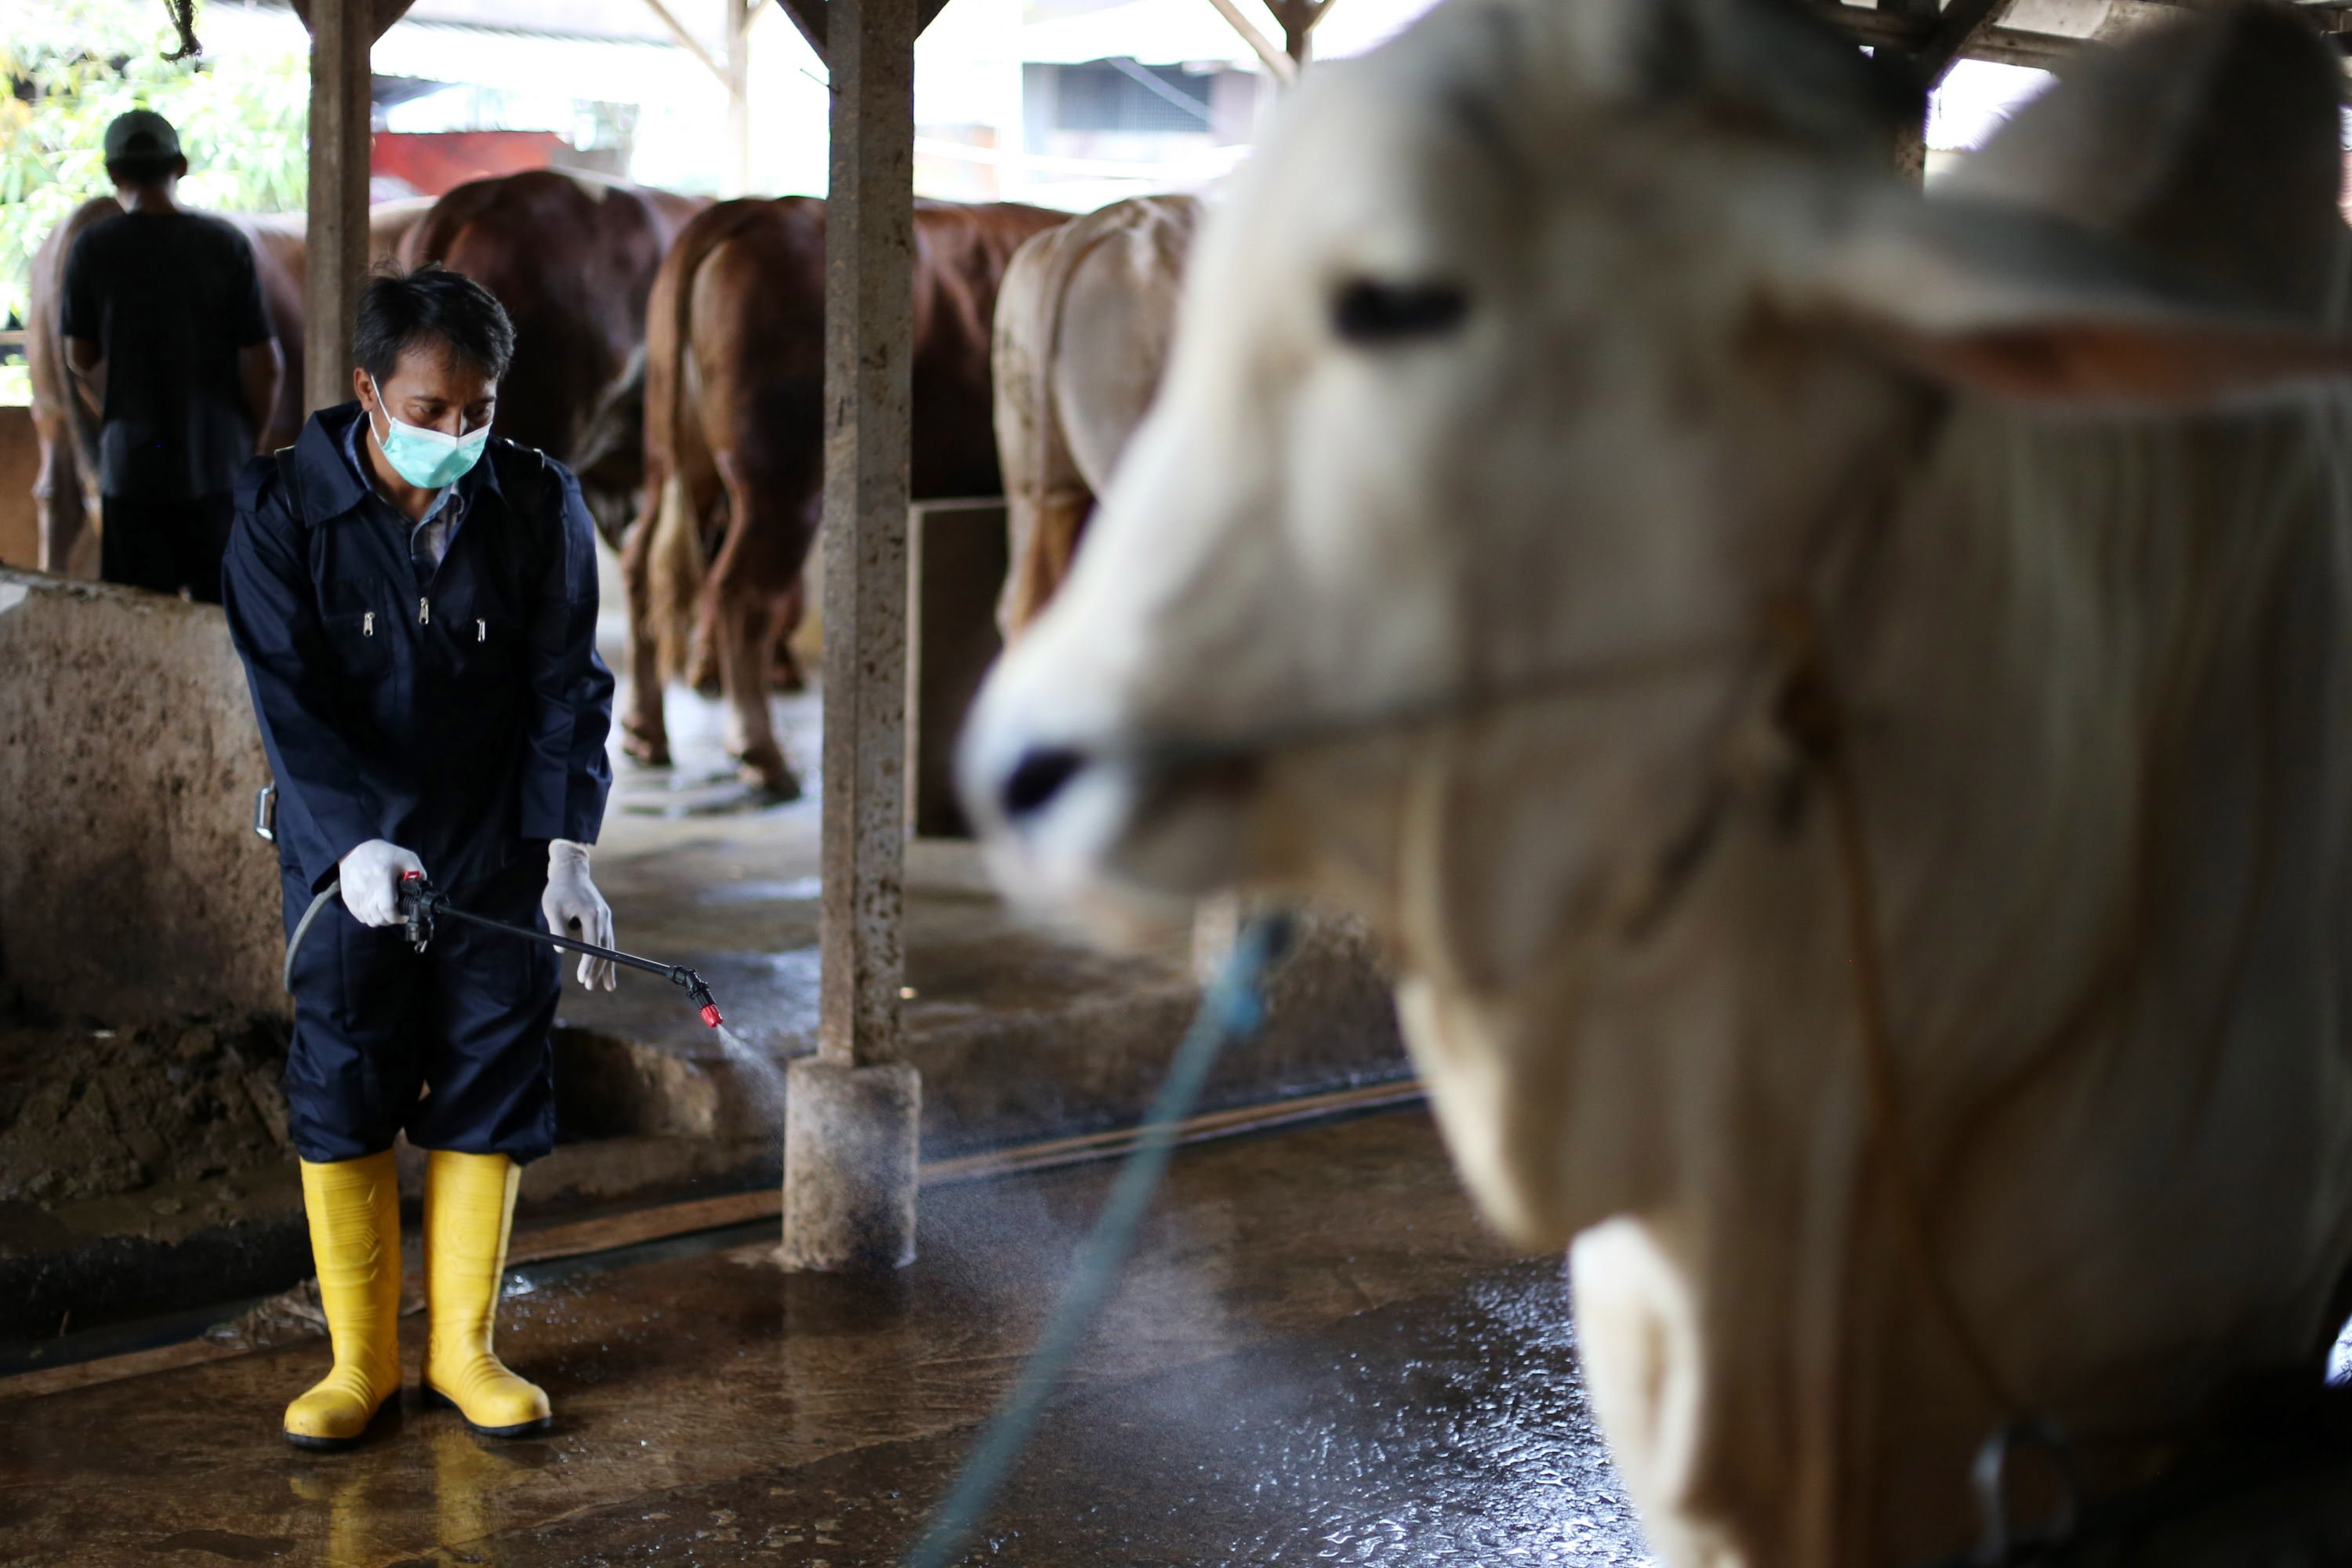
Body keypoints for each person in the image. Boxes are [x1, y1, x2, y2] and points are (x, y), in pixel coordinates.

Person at [222, 265, 617, 1450]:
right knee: (346, 1074)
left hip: (493, 847)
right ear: (369, 390)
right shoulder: (283, 508)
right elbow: (286, 698)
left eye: (480, 410)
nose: (459, 434)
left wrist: (568, 849)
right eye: (434, 409)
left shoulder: (538, 501)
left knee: (495, 1069)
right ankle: (360, 1365)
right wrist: (345, 836)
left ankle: (464, 1352)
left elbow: (567, 684)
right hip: (347, 851)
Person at [62, 109, 283, 601]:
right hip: (216, 468)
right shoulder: (225, 244)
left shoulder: (93, 247)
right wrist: (247, 443)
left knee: (138, 625)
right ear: (179, 167)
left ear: (114, 175)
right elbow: (268, 367)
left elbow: (79, 356)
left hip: (133, 473)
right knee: (221, 622)